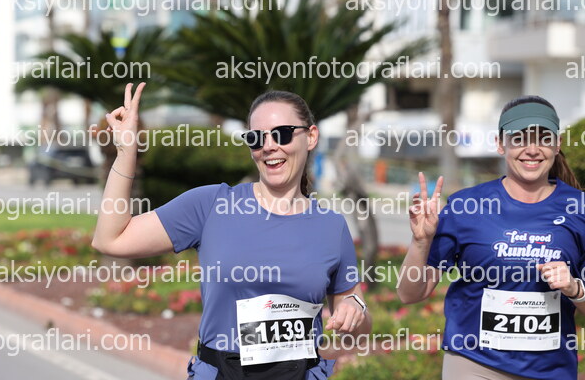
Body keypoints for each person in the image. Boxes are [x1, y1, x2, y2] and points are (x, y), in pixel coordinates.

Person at [92, 83, 372, 379]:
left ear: (311, 136)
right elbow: (111, 239)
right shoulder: (211, 204)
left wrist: (354, 312)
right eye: (256, 138)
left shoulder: (331, 226)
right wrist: (126, 152)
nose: (268, 146)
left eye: (282, 134)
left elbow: (359, 329)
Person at [397, 95, 585, 380]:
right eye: (520, 138)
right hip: (475, 364)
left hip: (550, 369)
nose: (532, 149)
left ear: (557, 145)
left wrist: (575, 288)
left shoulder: (578, 208)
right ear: (500, 143)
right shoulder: (466, 206)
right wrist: (421, 242)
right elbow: (410, 294)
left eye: (543, 139)